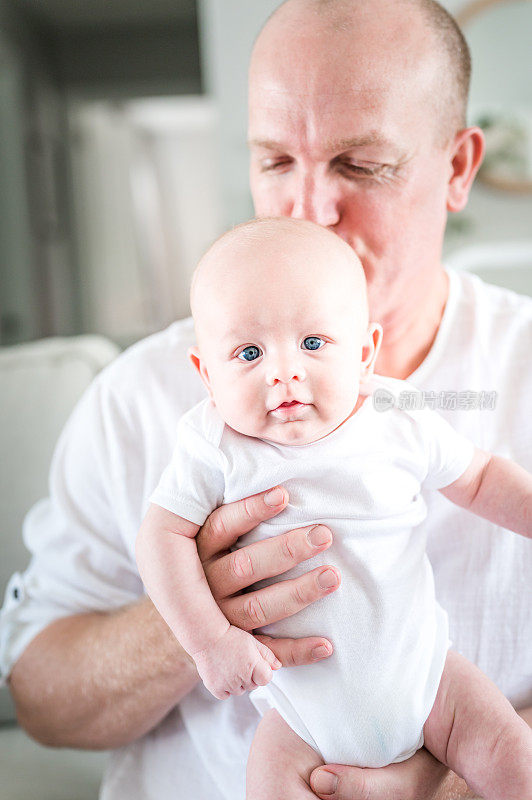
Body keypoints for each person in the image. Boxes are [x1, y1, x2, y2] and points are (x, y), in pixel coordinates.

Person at [1, 1, 530, 798]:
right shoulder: (145, 402)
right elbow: (40, 701)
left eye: (362, 165)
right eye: (277, 161)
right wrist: (196, 615)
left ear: (457, 168)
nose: (309, 209)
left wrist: (472, 776)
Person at [136, 216, 532, 800]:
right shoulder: (213, 445)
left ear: (367, 352)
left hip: (429, 682)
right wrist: (210, 642)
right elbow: (160, 538)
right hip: (301, 713)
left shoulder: (396, 415)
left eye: (314, 343)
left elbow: (478, 478)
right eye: (248, 352)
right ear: (207, 375)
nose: (284, 370)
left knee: (510, 754)